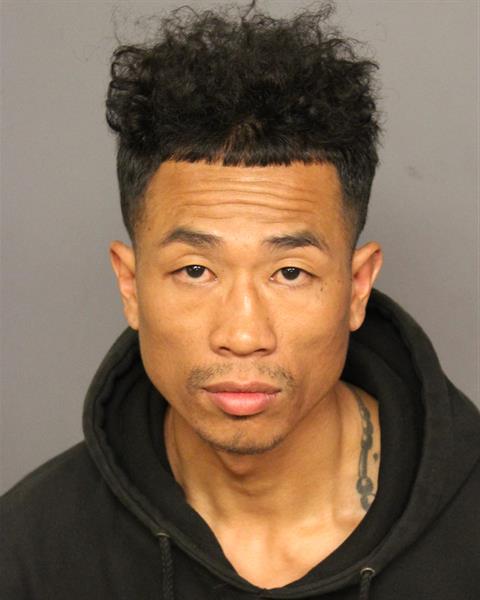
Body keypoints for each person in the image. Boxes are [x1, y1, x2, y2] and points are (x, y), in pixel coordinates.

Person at [1, 1, 479, 598]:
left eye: (290, 273)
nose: (244, 334)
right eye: (196, 270)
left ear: (357, 287)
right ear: (130, 285)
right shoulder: (30, 550)